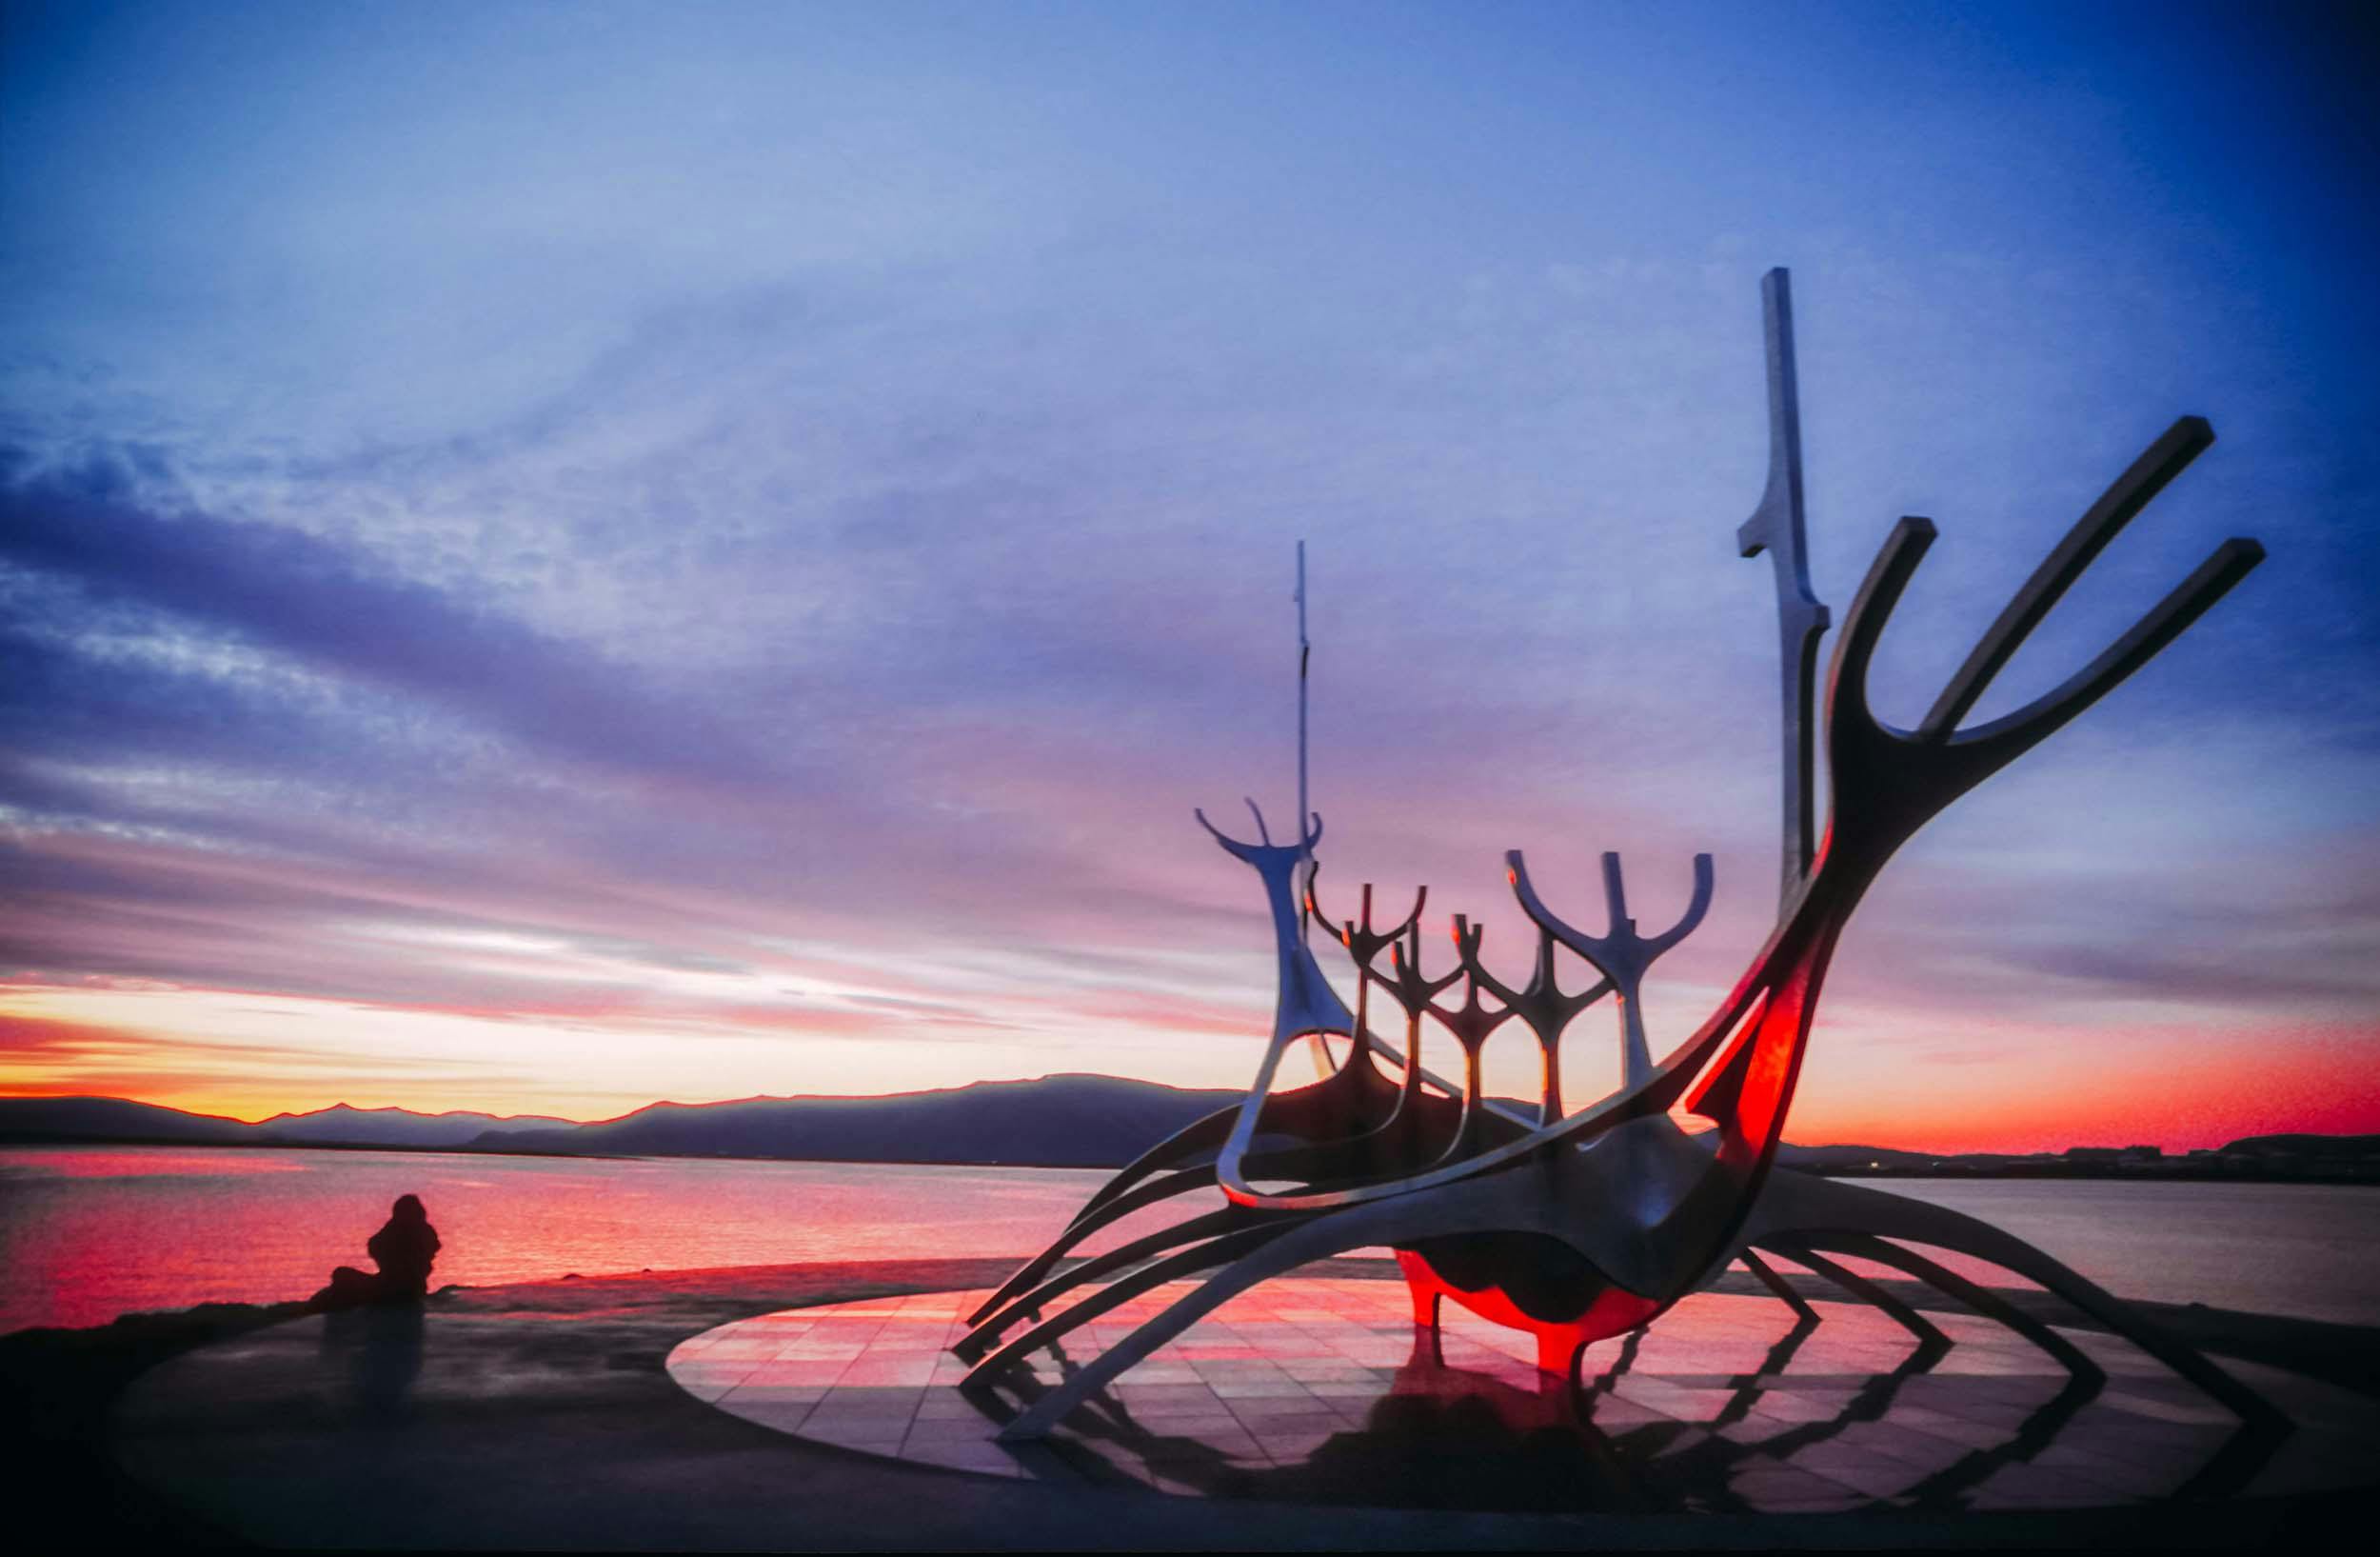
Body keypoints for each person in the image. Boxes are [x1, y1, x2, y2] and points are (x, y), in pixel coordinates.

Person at [312, 1193, 443, 1309]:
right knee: (342, 1278)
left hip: (393, 1291)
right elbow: (375, 1247)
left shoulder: (401, 1231)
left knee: (342, 1276)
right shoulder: (421, 1230)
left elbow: (375, 1246)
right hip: (406, 1289)